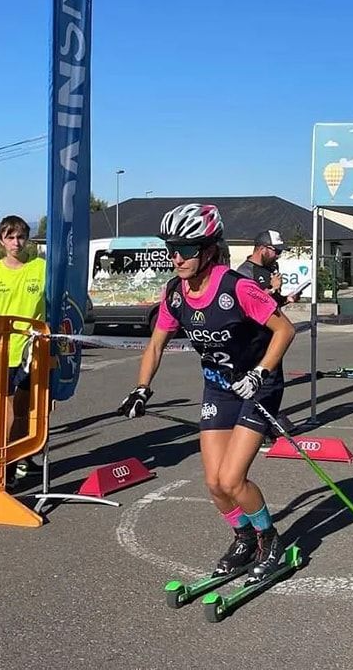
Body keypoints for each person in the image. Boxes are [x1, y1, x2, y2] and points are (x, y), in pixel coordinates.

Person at [119, 204, 295, 583]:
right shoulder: (175, 293)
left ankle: (270, 541)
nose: (177, 257)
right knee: (215, 484)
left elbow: (285, 330)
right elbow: (156, 344)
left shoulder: (237, 287)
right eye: (171, 249)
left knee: (232, 479)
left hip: (257, 386)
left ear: (209, 249)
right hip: (218, 387)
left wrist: (261, 372)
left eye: (186, 249)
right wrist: (141, 388)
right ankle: (244, 538)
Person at [0, 214, 46, 480]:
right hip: (5, 352)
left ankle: (20, 456)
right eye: (10, 237)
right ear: (2, 241)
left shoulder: (40, 267)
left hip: (34, 351)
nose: (16, 242)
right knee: (6, 412)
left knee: (26, 410)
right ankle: (5, 462)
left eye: (21, 237)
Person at [236, 230, 299, 307]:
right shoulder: (245, 271)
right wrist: (272, 288)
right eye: (277, 251)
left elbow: (272, 304)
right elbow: (250, 303)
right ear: (262, 249)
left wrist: (287, 299)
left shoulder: (271, 268)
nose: (278, 256)